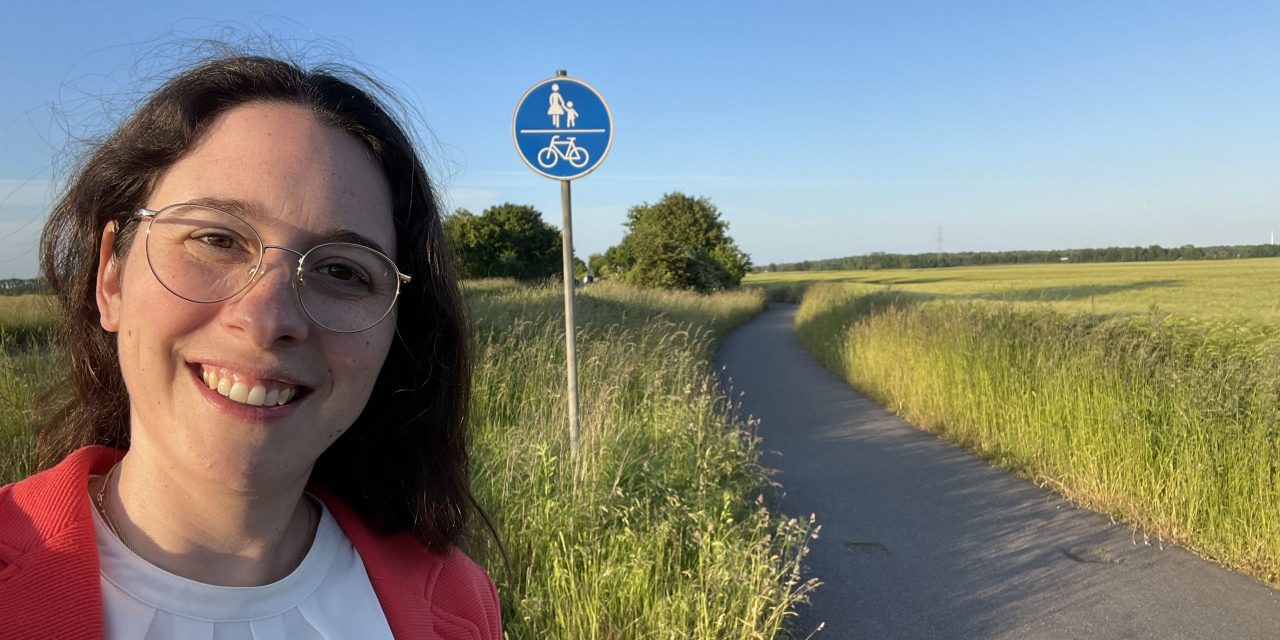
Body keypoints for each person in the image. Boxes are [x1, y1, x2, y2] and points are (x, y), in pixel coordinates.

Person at [0, 54, 502, 639]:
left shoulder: (458, 603)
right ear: (111, 278)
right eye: (214, 239)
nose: (268, 319)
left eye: (343, 272)